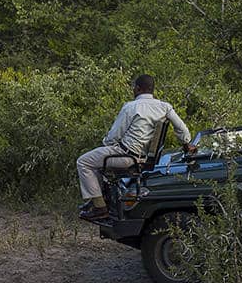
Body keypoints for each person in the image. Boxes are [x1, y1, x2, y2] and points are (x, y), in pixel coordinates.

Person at [77, 74, 191, 221]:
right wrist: (187, 144)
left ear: (137, 89)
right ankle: (97, 201)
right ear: (151, 90)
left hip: (126, 157)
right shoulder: (165, 107)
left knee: (84, 162)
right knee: (98, 159)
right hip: (144, 159)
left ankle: (99, 207)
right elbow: (183, 130)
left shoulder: (131, 107)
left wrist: (107, 144)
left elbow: (113, 136)